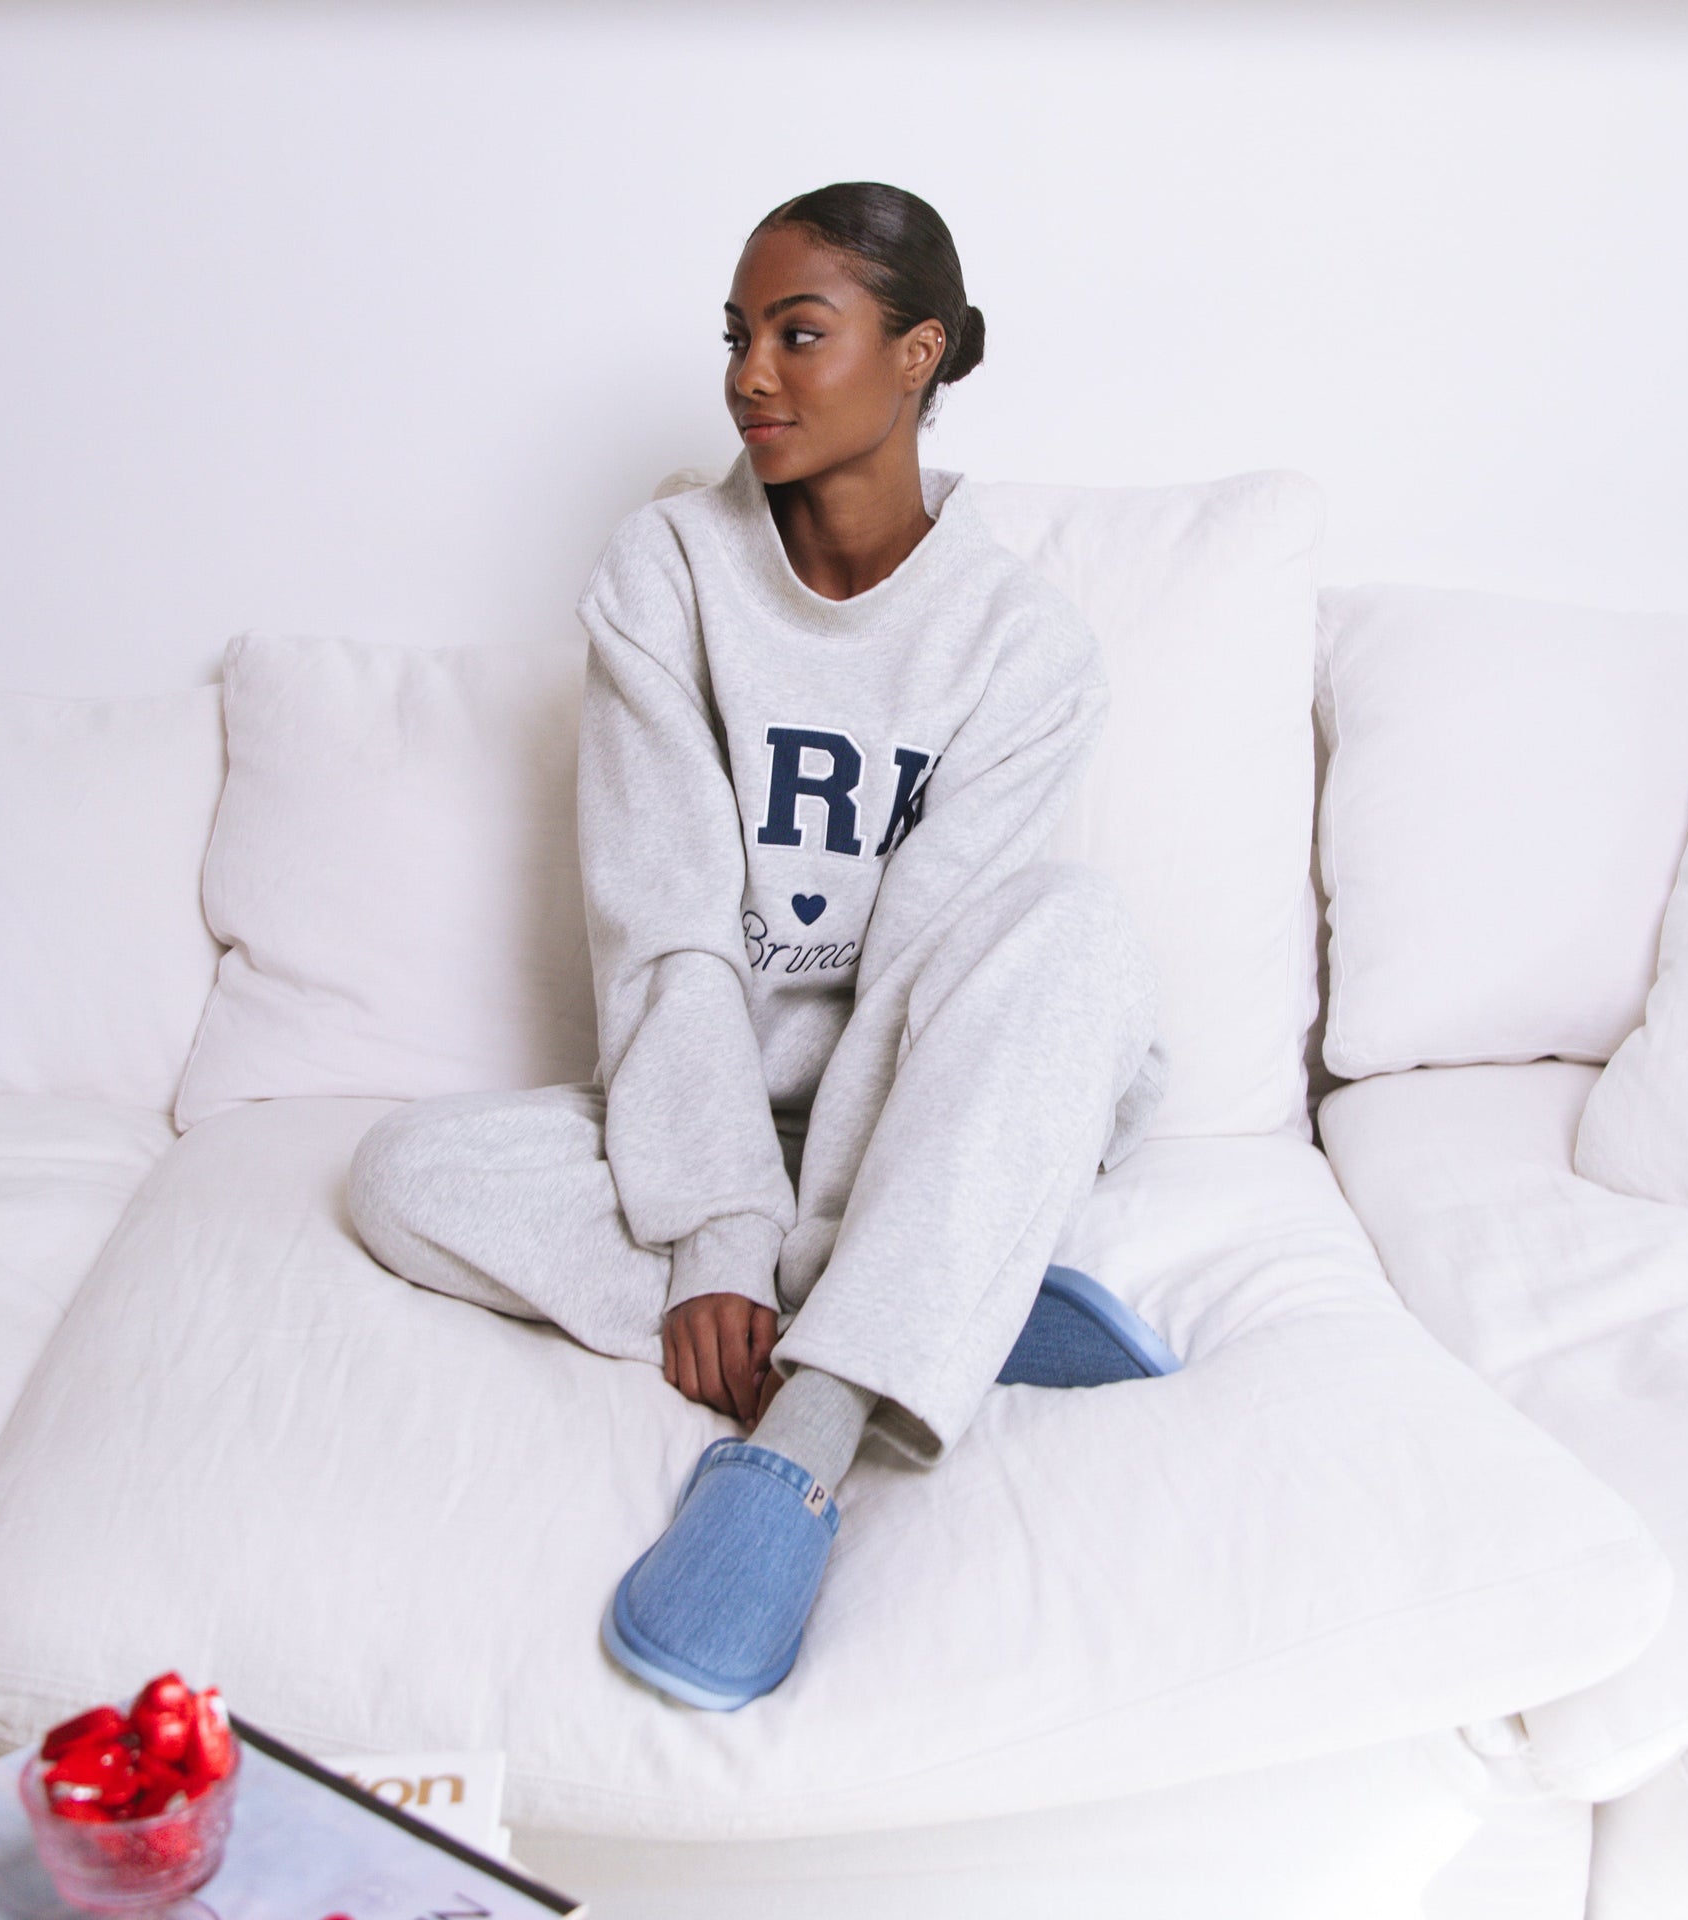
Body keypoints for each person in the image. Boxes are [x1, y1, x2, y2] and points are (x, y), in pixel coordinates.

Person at [346, 181, 1171, 1712]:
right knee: (404, 1176)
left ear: (919, 353)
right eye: (736, 337)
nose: (749, 377)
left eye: (800, 334)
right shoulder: (667, 569)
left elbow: (926, 968)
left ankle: (810, 1432)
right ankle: (950, 1302)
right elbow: (662, 925)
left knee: (1079, 930)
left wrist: (805, 1231)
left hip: (932, 1105)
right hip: (719, 1117)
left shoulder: (1022, 643)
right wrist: (720, 1236)